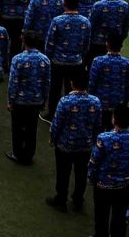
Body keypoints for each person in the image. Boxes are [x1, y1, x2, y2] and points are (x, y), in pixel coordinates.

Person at [47, 75, 100, 213]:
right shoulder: (96, 102)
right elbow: (97, 125)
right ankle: (78, 200)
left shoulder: (65, 101)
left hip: (65, 145)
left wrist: (53, 138)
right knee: (81, 174)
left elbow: (57, 123)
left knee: (63, 173)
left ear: (71, 84)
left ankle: (61, 199)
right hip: (85, 146)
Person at [7, 31, 51, 165]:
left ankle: (18, 153)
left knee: (18, 128)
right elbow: (46, 82)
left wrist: (11, 100)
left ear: (24, 41)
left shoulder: (18, 59)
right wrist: (44, 100)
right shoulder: (45, 60)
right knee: (32, 129)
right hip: (36, 100)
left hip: (20, 101)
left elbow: (13, 82)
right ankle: (29, 155)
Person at [91, 103, 129, 237]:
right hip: (124, 186)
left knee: (101, 216)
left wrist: (91, 177)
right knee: (119, 220)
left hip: (103, 186)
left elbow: (95, 161)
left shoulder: (104, 138)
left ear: (114, 119)